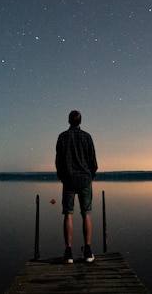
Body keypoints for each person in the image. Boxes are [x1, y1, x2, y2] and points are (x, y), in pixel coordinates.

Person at [55, 110, 98, 264]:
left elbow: (58, 161)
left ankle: (68, 253)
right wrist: (90, 176)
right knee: (86, 214)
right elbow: (93, 161)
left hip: (69, 181)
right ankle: (87, 251)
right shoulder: (87, 137)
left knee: (68, 215)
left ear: (69, 121)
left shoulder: (62, 137)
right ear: (80, 121)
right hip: (85, 179)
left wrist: (63, 177)